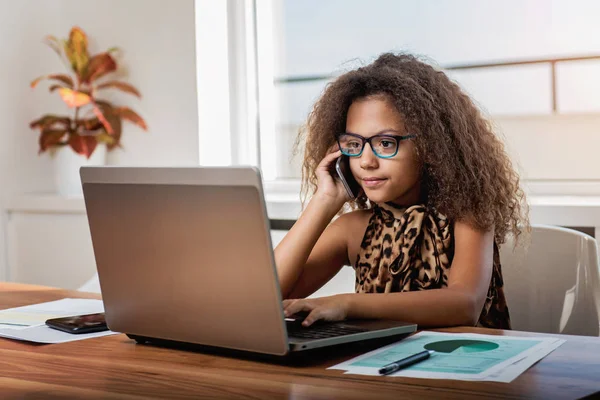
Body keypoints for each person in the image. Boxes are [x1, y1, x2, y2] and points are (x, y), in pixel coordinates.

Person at [275, 53, 528, 329]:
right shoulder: (354, 230)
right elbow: (270, 295)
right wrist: (324, 201)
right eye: (354, 143)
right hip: (378, 368)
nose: (366, 162)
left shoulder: (467, 215)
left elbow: (464, 304)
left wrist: (346, 304)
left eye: (385, 143)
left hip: (466, 365)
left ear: (431, 145)